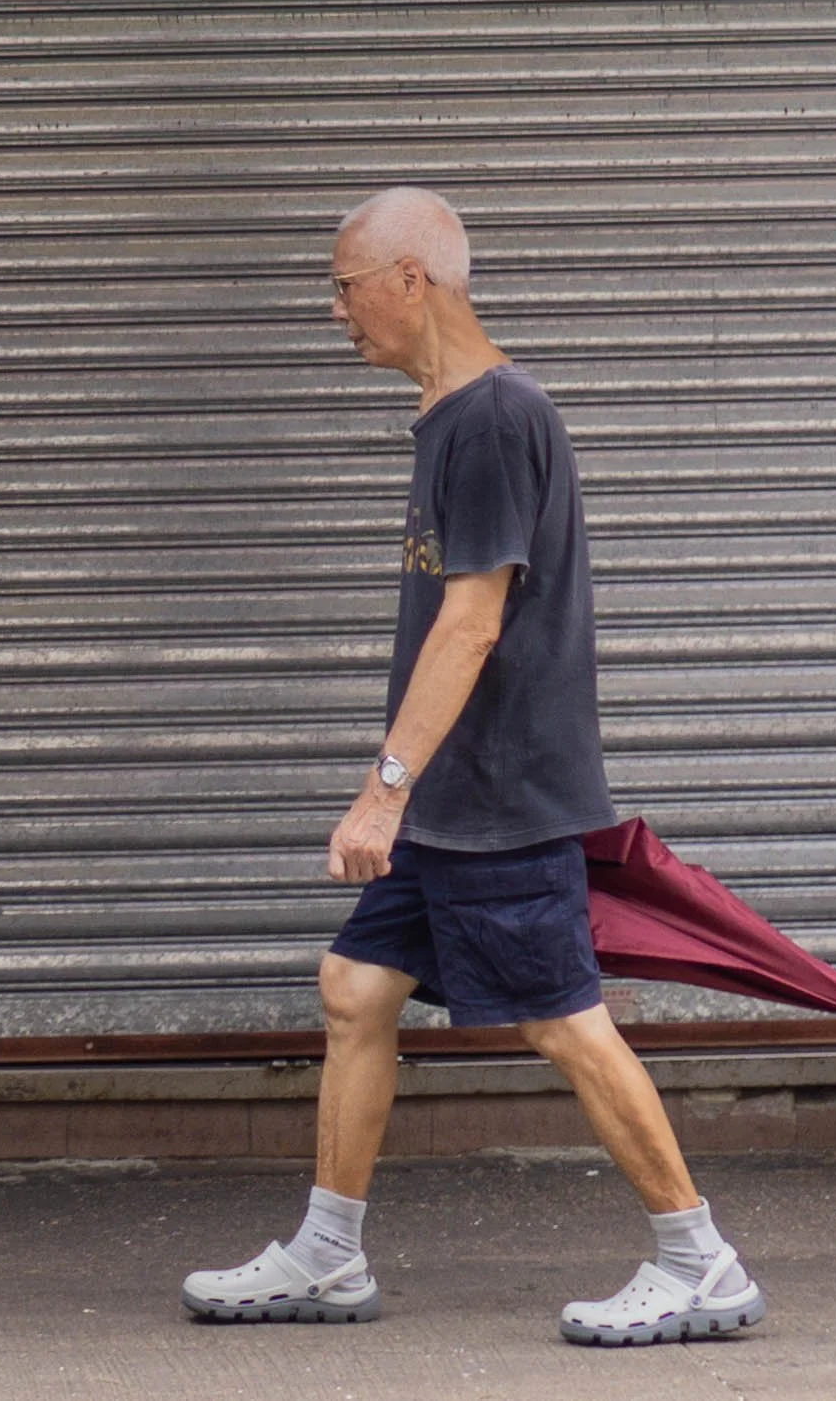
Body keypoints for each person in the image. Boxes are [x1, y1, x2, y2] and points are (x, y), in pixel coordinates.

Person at [180, 187, 765, 1347]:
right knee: (354, 989)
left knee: (562, 1021)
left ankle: (700, 1260)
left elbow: (471, 625)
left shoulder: (494, 418)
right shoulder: (452, 416)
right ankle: (329, 1252)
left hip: (494, 795)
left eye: (344, 285)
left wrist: (380, 788)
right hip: (452, 798)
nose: (334, 311)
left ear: (411, 278)